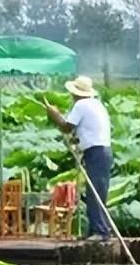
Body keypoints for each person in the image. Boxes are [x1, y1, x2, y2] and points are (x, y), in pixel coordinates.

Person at [46, 75, 112, 239]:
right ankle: (95, 229)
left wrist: (54, 114)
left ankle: (101, 231)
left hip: (96, 152)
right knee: (95, 191)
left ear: (75, 93)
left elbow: (67, 127)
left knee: (95, 191)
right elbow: (88, 130)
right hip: (101, 151)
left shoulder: (81, 105)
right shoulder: (96, 104)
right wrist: (77, 140)